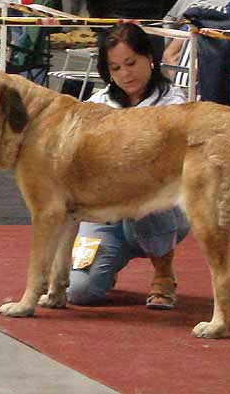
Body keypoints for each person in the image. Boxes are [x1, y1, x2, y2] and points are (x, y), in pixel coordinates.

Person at [67, 23, 190, 309]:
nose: (125, 74)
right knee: (80, 293)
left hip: (160, 210)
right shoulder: (96, 103)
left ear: (150, 57)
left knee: (141, 190)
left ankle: (163, 274)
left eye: (131, 63)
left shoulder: (173, 102)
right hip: (104, 214)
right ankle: (103, 267)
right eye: (116, 68)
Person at [85, 0, 185, 63]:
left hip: (118, 18)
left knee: (115, 70)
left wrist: (98, 20)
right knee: (151, 72)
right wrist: (159, 11)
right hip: (149, 18)